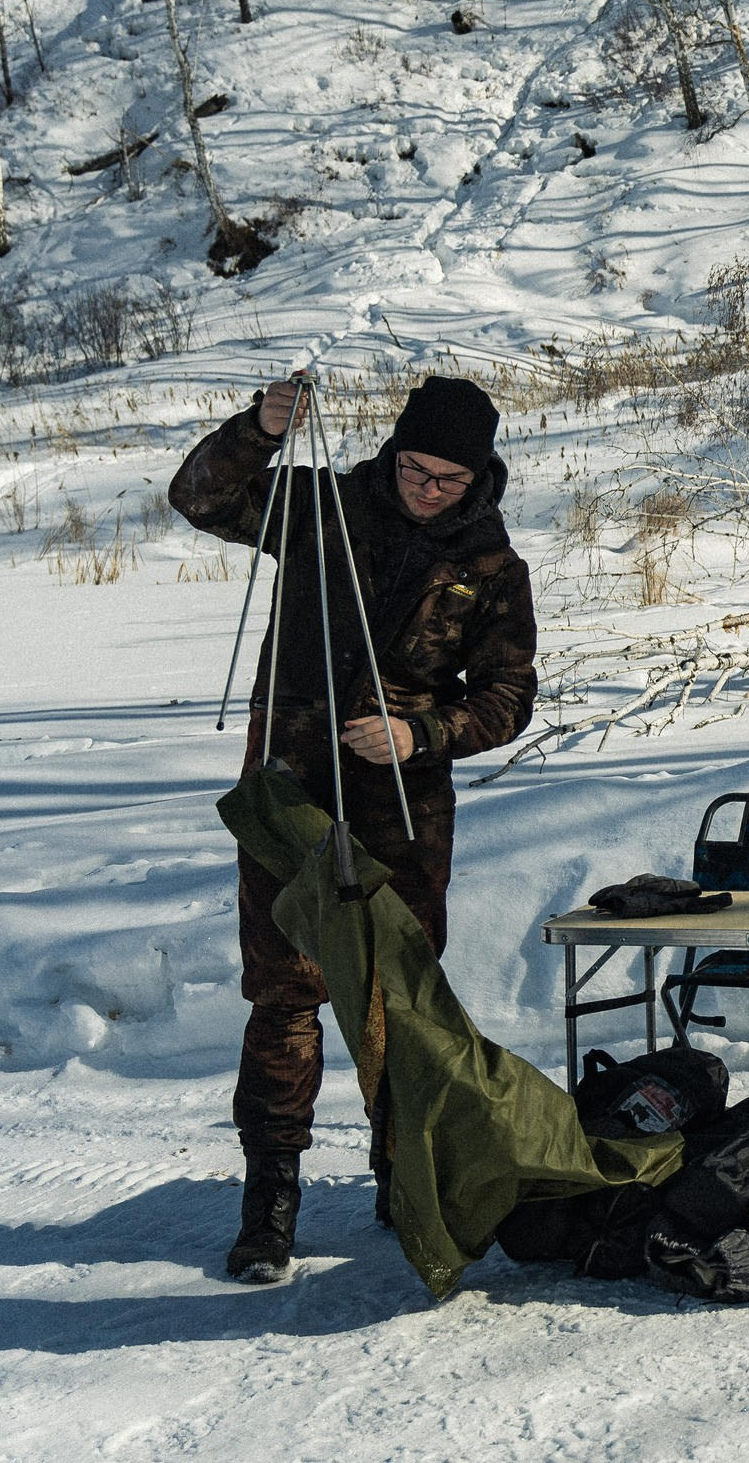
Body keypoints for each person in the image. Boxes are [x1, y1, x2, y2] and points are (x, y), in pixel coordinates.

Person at [171, 373, 537, 1282]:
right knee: (284, 987)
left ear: (479, 475)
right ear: (394, 451)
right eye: (414, 469)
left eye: (448, 478)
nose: (427, 490)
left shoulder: (492, 567)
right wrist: (259, 429)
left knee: (396, 989)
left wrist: (422, 733)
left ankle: (399, 1167)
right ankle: (270, 1196)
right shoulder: (321, 505)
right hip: (290, 779)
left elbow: (508, 696)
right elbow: (200, 498)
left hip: (404, 802)